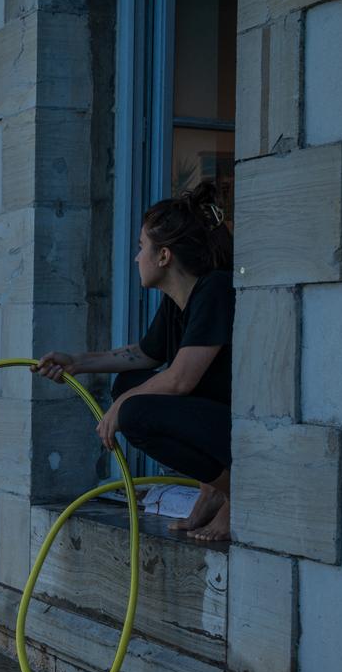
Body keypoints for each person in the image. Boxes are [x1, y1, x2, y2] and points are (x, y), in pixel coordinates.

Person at [34, 182, 235, 542]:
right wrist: (75, 362)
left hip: (237, 429)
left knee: (135, 412)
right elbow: (142, 355)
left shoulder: (214, 290)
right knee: (126, 383)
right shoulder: (177, 301)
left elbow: (181, 380)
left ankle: (236, 490)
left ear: (164, 256)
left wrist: (122, 407)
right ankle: (211, 487)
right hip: (212, 422)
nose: (136, 257)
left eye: (142, 248)